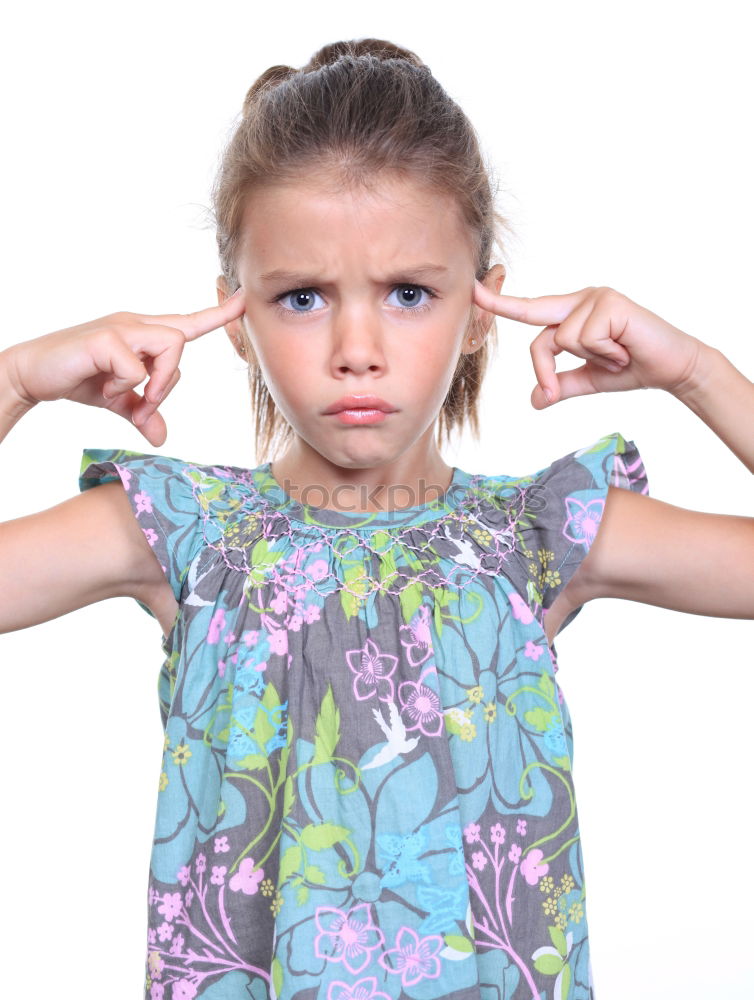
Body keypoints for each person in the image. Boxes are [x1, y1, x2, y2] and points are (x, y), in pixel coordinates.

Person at [1, 36, 752, 1000]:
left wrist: (697, 372)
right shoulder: (183, 534)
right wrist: (19, 378)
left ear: (481, 306)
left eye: (409, 294)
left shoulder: (531, 535)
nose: (357, 348)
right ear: (234, 313)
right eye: (302, 297)